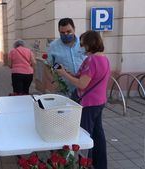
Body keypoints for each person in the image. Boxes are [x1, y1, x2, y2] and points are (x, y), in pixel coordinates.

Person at [56, 30, 110, 169]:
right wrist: (68, 72)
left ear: (90, 44)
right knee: (98, 134)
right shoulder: (104, 59)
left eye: (82, 44)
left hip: (88, 103)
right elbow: (85, 78)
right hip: (99, 101)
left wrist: (63, 74)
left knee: (85, 136)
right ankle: (100, 164)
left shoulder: (92, 60)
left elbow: (82, 84)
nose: (81, 46)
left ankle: (85, 164)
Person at [47, 18, 86, 96]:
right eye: (62, 32)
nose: (66, 34)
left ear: (74, 29)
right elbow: (48, 66)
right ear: (59, 32)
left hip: (84, 90)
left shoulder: (84, 43)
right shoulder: (53, 46)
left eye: (68, 31)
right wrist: (54, 83)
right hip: (63, 91)